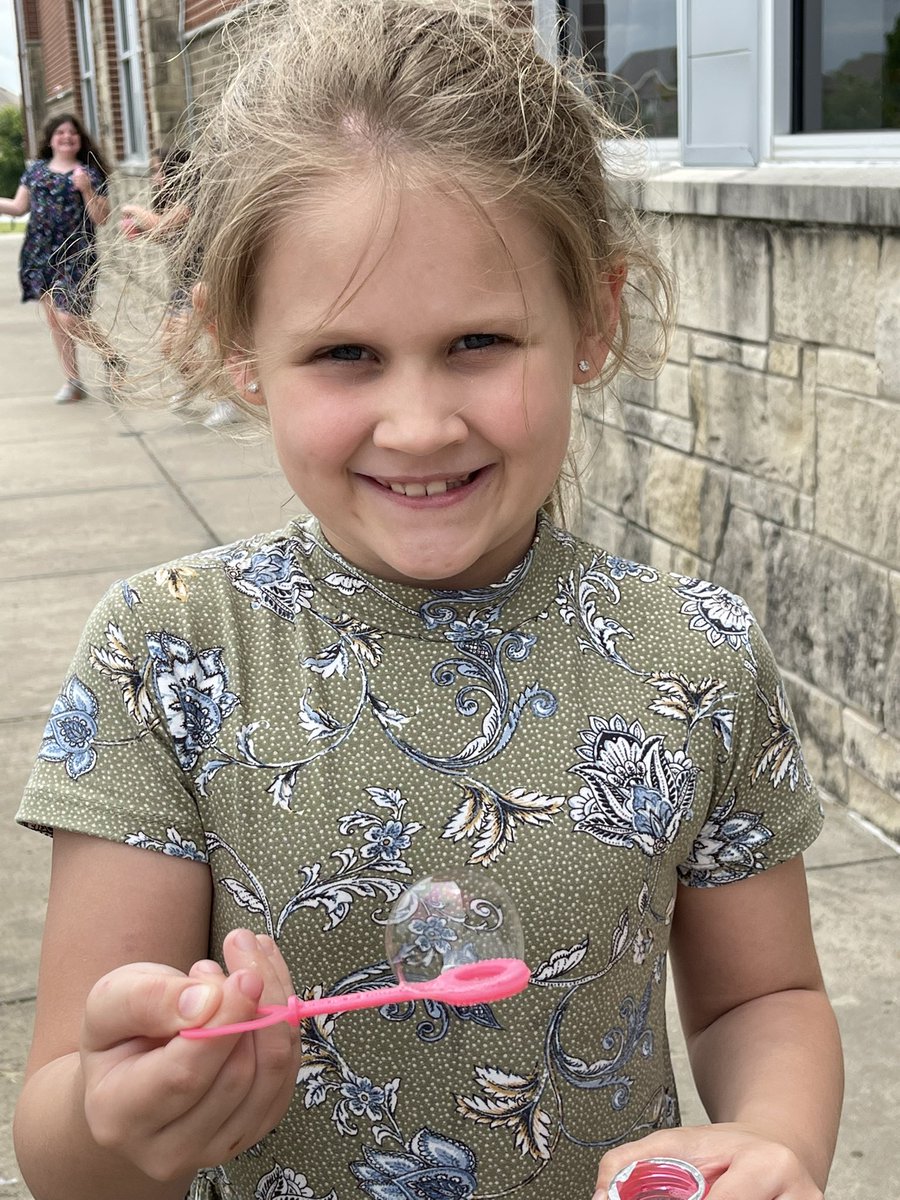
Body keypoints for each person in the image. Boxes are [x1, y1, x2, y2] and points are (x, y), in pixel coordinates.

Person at [12, 3, 843, 1199]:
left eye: (478, 342)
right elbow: (63, 1145)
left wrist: (777, 1137)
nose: (417, 424)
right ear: (242, 352)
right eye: (345, 355)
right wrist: (124, 1119)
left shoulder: (695, 654)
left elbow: (765, 995)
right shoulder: (168, 657)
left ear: (594, 319)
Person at [0, 112, 124, 403]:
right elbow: (18, 207)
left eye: (72, 132)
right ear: (51, 139)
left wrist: (86, 189)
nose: (67, 137)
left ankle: (112, 356)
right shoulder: (35, 172)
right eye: (60, 133)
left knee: (69, 317)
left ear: (79, 139)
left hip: (76, 254)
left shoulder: (89, 173)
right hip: (40, 253)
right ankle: (73, 381)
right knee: (55, 322)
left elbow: (102, 218)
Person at [119, 147, 236, 428]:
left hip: (204, 282)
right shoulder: (168, 199)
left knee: (183, 345)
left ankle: (228, 399)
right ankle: (195, 384)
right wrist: (141, 232)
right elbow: (163, 236)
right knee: (169, 348)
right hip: (181, 284)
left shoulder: (194, 198)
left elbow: (163, 227)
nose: (155, 177)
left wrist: (135, 211)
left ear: (177, 170)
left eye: (158, 170)